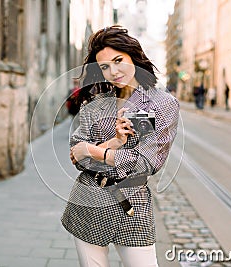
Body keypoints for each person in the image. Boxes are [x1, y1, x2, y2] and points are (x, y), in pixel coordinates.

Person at [61, 26, 179, 267]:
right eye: (104, 67)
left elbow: (145, 163)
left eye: (118, 60)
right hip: (89, 197)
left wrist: (94, 151)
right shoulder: (97, 100)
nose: (113, 71)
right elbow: (76, 153)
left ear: (133, 56)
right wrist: (115, 143)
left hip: (131, 203)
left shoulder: (160, 103)